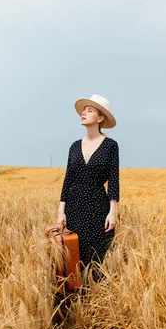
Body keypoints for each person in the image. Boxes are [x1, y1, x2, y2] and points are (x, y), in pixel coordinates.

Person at [57, 94, 120, 283]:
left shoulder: (111, 146)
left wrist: (112, 212)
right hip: (75, 207)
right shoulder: (74, 147)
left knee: (97, 257)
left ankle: (95, 301)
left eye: (89, 110)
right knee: (75, 256)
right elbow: (68, 180)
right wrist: (61, 212)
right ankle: (76, 299)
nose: (83, 113)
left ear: (100, 118)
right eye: (83, 111)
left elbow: (114, 180)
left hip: (98, 207)